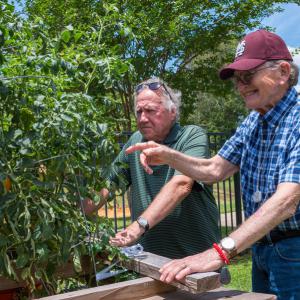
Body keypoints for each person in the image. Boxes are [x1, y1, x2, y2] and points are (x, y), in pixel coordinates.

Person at [126, 30, 300, 299]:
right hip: (263, 249)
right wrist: (169, 155)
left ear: (283, 71)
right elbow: (214, 169)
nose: (240, 86)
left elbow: (287, 201)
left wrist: (219, 251)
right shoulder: (254, 122)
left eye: (247, 76)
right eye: (236, 80)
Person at [84, 77, 220, 259]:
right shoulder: (135, 142)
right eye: (139, 112)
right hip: (150, 261)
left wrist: (137, 226)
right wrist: (68, 219)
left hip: (195, 261)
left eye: (150, 110)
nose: (142, 118)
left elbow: (182, 185)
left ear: (172, 112)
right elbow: (108, 185)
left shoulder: (191, 136)